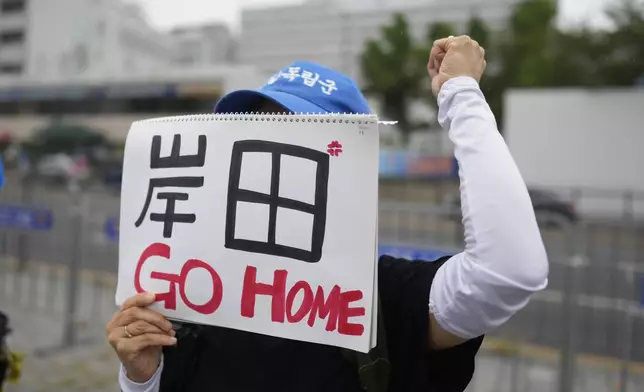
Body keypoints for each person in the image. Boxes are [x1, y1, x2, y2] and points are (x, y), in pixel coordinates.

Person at [107, 35, 548, 392]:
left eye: (296, 139)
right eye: (252, 133)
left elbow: (508, 271)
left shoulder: (379, 301)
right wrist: (142, 378)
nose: (266, 162)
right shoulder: (197, 292)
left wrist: (461, 95)